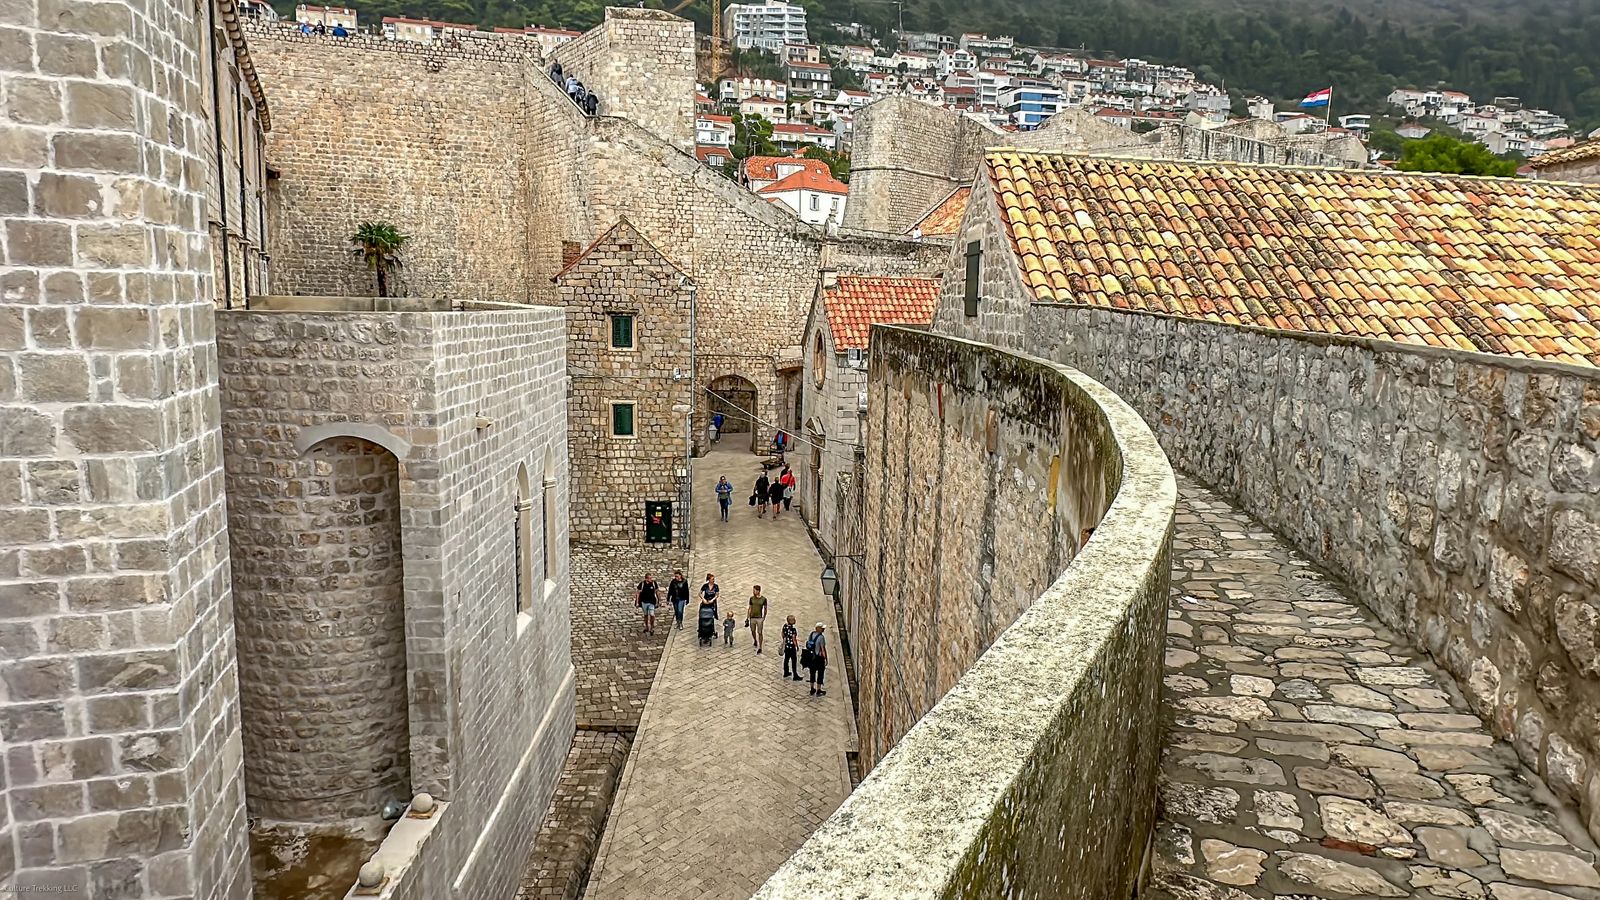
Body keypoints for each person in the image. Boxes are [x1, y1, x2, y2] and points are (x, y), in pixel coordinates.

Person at [805, 623, 828, 696]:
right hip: (818, 657)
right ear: (818, 628)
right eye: (822, 628)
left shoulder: (811, 634)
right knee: (820, 673)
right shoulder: (821, 637)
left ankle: (812, 688)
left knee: (812, 673)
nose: (823, 629)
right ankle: (818, 689)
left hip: (811, 657)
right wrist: (825, 658)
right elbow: (822, 649)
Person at [697, 574, 720, 647]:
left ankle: (710, 629)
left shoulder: (716, 586)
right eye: (712, 579)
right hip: (705, 601)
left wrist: (712, 600)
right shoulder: (705, 586)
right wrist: (703, 599)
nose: (713, 580)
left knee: (711, 616)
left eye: (714, 579)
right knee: (702, 614)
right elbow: (700, 593)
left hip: (712, 602)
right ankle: (702, 629)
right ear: (709, 579)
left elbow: (717, 595)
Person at [747, 585, 768, 653]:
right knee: (753, 631)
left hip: (759, 618)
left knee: (760, 632)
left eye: (754, 590)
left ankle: (760, 647)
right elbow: (750, 608)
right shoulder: (751, 599)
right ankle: (755, 640)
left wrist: (764, 617)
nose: (753, 592)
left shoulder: (763, 599)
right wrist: (748, 617)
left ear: (758, 591)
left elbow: (765, 608)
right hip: (752, 617)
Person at [781, 615, 802, 680]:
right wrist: (797, 646)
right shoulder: (793, 629)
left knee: (786, 659)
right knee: (793, 660)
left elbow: (782, 634)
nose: (795, 620)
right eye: (793, 620)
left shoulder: (785, 626)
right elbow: (794, 638)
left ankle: (786, 672)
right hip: (791, 647)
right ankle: (795, 675)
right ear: (790, 621)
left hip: (786, 646)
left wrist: (785, 640)